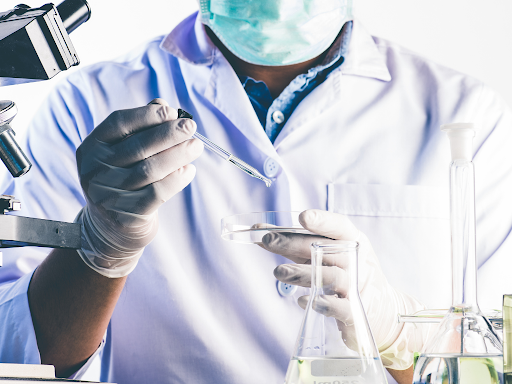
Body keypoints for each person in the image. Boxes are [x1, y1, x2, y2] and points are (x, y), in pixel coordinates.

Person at [1, 1, 511, 384]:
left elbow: (493, 365)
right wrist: (101, 245)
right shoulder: (86, 103)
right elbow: (23, 357)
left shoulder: (466, 117)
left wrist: (397, 335)